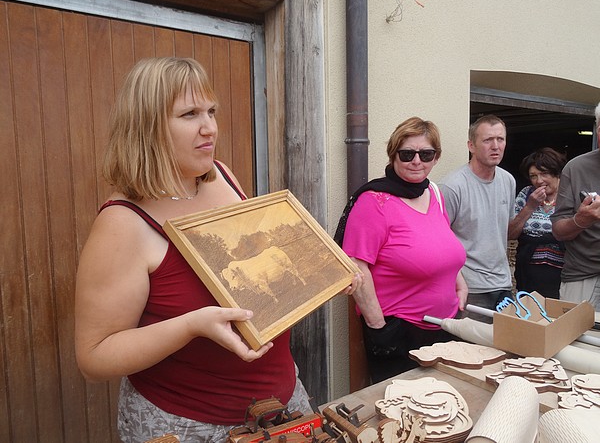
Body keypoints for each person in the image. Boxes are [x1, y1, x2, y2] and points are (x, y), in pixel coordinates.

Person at [74, 57, 361, 443]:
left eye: (211, 111)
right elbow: (94, 357)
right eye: (190, 114)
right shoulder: (122, 223)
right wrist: (192, 326)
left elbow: (251, 263)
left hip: (283, 405)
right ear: (146, 127)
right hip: (189, 425)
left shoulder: (222, 176)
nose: (209, 128)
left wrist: (325, 272)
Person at [337, 116, 468, 384]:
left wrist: (460, 286)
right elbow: (356, 267)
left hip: (446, 327)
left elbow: (443, 246)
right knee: (406, 415)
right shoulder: (374, 202)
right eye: (407, 154)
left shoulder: (434, 194)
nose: (417, 161)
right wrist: (379, 328)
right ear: (393, 155)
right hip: (401, 335)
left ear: (436, 157)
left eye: (426, 154)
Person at [440, 115, 516, 321]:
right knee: (470, 350)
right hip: (470, 287)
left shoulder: (508, 180)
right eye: (487, 140)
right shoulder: (452, 186)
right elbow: (440, 240)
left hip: (503, 284)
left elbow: (507, 231)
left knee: (504, 348)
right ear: (471, 146)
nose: (495, 146)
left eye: (500, 139)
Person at [551, 101, 600, 311]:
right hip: (582, 275)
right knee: (574, 342)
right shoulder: (576, 168)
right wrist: (580, 221)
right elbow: (558, 231)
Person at [508, 148, 567, 299]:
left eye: (544, 174)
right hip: (528, 273)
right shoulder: (526, 194)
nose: (539, 181)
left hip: (562, 274)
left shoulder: (569, 195)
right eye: (533, 176)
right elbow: (511, 234)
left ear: (557, 172)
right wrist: (530, 206)